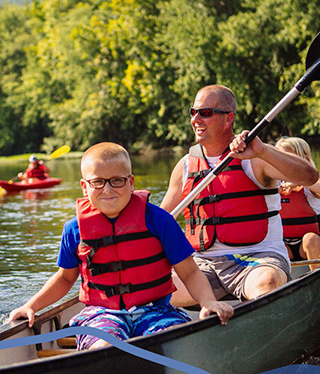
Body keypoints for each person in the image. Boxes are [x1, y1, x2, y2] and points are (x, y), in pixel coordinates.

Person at [9, 142, 233, 351]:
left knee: (174, 340)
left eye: (117, 180)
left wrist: (208, 302)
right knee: (106, 347)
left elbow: (190, 271)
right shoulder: (73, 230)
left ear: (131, 182)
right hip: (100, 314)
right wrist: (32, 306)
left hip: (156, 310)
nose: (107, 190)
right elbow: (65, 278)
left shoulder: (160, 221)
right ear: (84, 187)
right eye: (98, 182)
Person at [160, 84, 319, 306]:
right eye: (193, 112)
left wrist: (264, 150)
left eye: (205, 113)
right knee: (159, 289)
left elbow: (310, 176)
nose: (196, 119)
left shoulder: (254, 157)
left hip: (258, 259)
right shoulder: (186, 166)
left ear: (228, 119)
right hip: (204, 264)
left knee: (267, 283)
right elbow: (161, 217)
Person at [275, 136, 320, 271]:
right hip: (284, 245)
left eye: (287, 157)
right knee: (271, 246)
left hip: (308, 246)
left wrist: (299, 182)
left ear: (304, 160)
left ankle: (316, 282)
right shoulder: (274, 184)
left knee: (310, 239)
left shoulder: (310, 187)